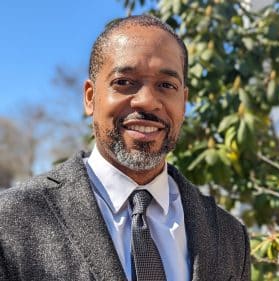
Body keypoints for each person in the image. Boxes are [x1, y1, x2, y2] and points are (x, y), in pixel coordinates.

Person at [0, 15, 250, 281]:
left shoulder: (230, 237)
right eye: (124, 82)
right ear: (90, 97)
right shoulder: (11, 221)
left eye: (166, 85)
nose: (147, 102)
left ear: (184, 102)